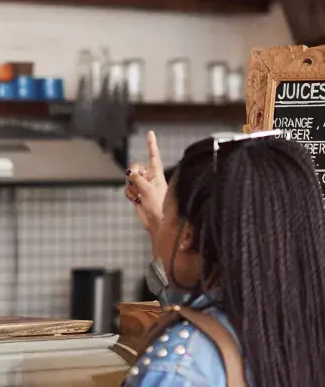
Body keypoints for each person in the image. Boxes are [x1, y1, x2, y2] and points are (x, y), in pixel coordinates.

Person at [123, 130, 325, 386]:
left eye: (166, 211)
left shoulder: (179, 366)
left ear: (187, 236)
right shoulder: (301, 334)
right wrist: (165, 226)